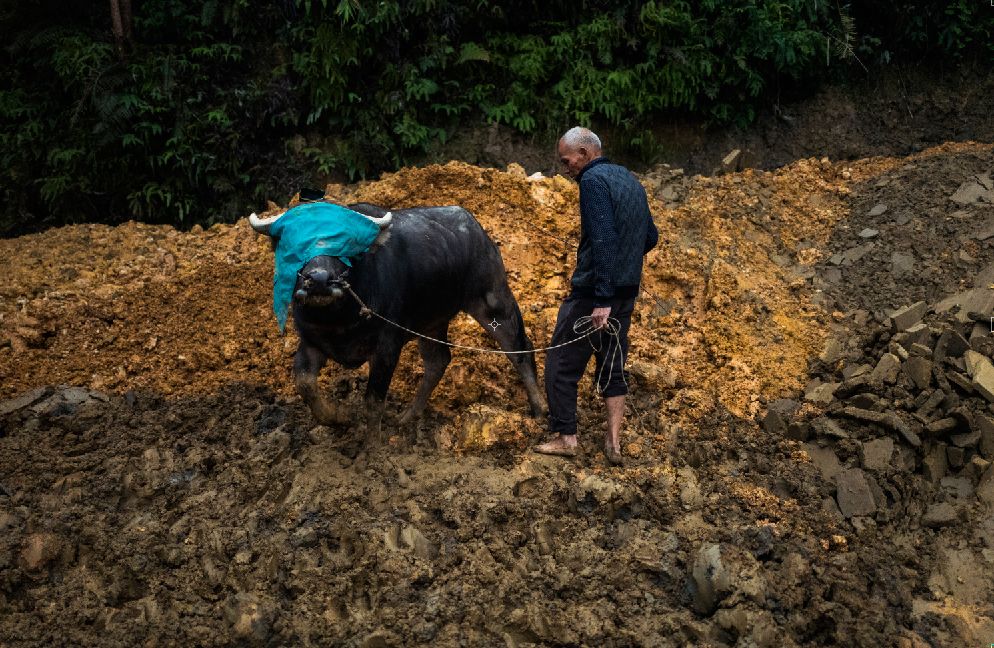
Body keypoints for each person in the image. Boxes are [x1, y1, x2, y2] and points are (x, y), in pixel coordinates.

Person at [534, 127, 658, 465]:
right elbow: (651, 236)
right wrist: (625, 270)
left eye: (566, 161)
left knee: (560, 364)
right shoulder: (630, 180)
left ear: (585, 154)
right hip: (625, 293)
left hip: (594, 296)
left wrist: (602, 297)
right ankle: (613, 443)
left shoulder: (592, 182)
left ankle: (566, 437)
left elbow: (603, 241)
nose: (565, 168)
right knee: (612, 364)